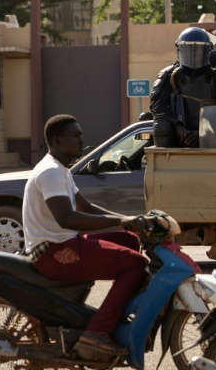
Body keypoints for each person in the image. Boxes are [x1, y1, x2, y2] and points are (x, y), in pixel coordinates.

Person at [23, 114, 147, 362]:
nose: (82, 140)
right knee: (135, 264)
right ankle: (97, 333)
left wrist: (130, 222)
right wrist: (122, 222)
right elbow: (67, 218)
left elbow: (87, 207)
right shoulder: (51, 172)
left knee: (131, 241)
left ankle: (116, 311)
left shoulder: (61, 170)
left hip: (63, 242)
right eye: (76, 136)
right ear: (58, 140)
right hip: (54, 252)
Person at [150, 27, 216, 147]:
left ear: (208, 51)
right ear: (179, 50)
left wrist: (202, 133)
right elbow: (158, 107)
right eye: (189, 49)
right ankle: (164, 157)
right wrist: (178, 127)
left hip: (212, 131)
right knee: (161, 125)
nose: (193, 55)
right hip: (179, 132)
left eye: (198, 50)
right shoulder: (168, 75)